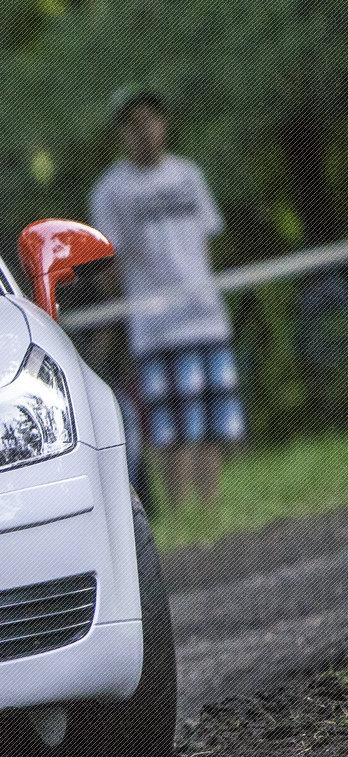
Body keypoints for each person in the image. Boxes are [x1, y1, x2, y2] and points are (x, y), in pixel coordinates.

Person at [89, 89, 243, 507]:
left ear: (163, 123)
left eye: (150, 120)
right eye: (133, 124)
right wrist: (128, 312)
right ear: (122, 132)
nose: (145, 131)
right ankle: (179, 510)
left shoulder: (188, 175)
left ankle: (209, 508)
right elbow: (108, 265)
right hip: (155, 328)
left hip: (206, 317)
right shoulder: (110, 191)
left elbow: (205, 242)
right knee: (170, 427)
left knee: (211, 420)